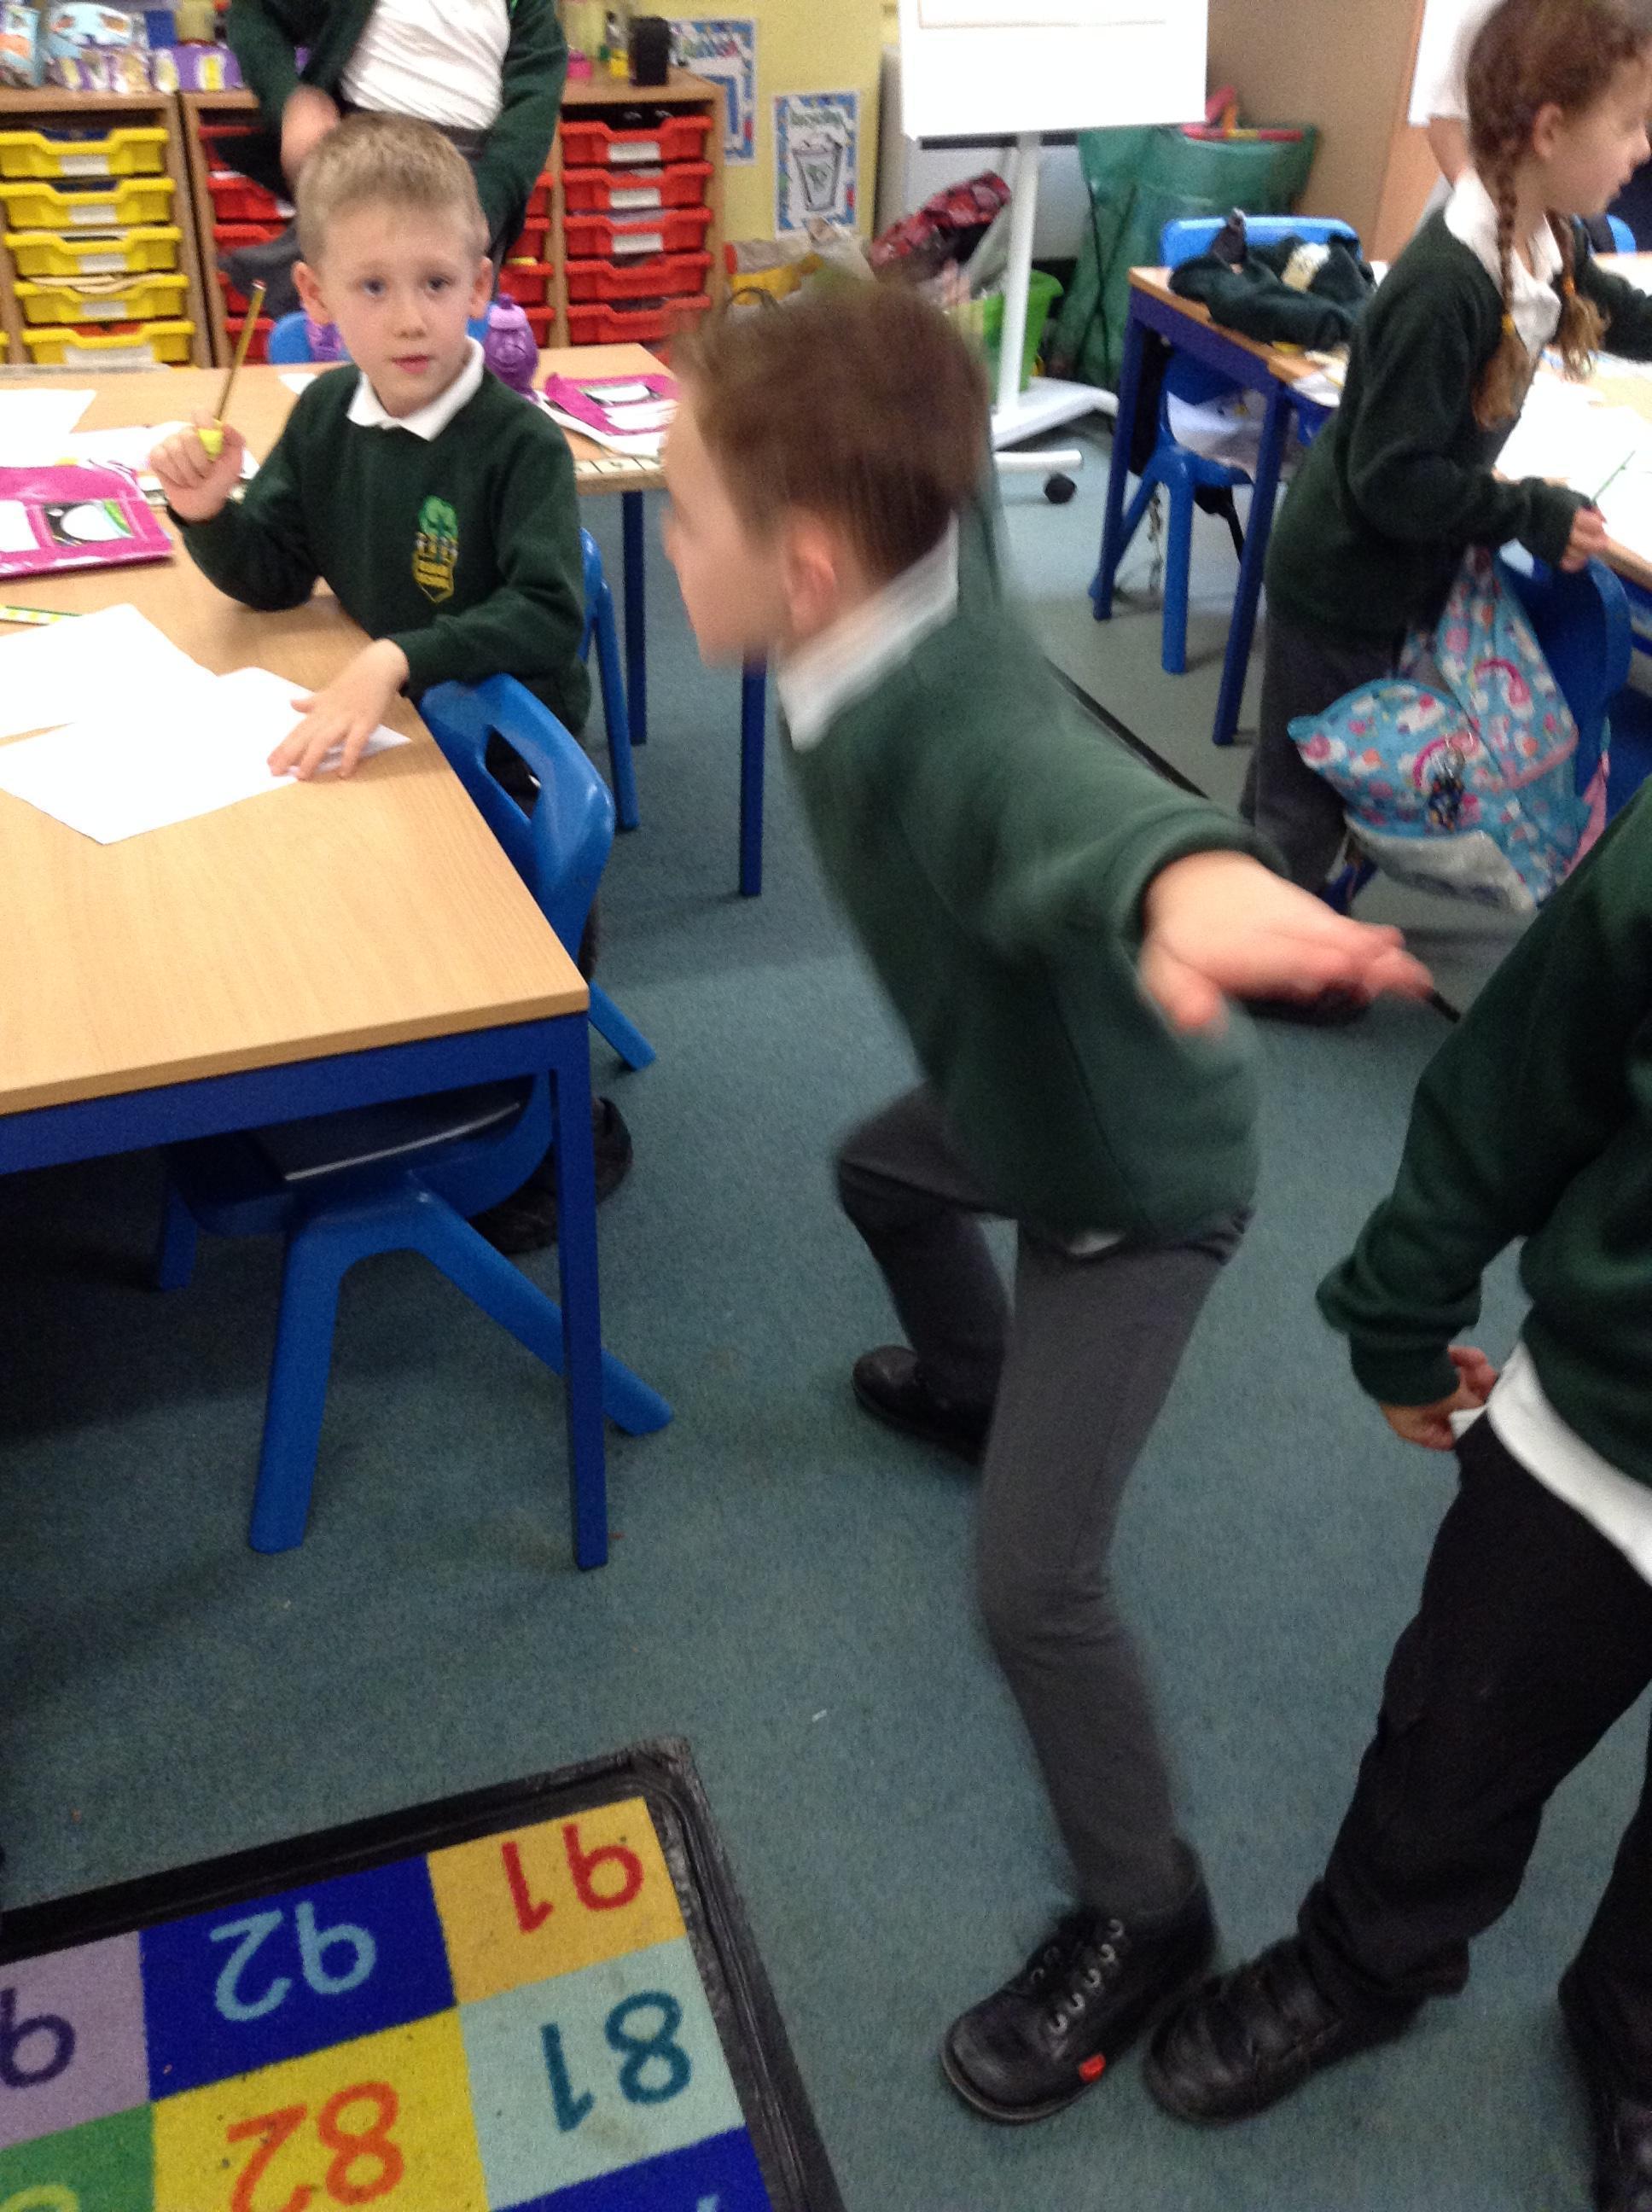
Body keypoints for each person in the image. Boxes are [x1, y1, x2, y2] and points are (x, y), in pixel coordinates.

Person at [660, 280, 1432, 2124]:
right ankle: (980, 1390)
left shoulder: (951, 723)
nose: (667, 535)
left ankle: (1144, 1904)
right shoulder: (921, 553)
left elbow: (1069, 799)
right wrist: (889, 314)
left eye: (681, 514)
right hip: (1011, 1089)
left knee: (1031, 1587)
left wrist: (1191, 881)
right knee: (878, 1170)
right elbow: (913, 408)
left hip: (1127, 1179)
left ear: (806, 567)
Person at [1143, 770, 1652, 2210]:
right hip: (1602, 1427)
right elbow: (1517, 1080)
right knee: (1460, 1729)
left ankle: (1635, 2030)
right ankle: (1368, 1958)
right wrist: (1402, 1309)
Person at [151, 114, 622, 1252]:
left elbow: (549, 610)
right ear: (318, 296)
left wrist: (400, 654)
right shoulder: (325, 414)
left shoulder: (517, 445)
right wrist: (208, 514)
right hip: (400, 739)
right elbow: (273, 570)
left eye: (436, 282)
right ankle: (393, 1062)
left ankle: (547, 1137)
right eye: (373, 286)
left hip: (504, 758)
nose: (409, 317)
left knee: (522, 957)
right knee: (340, 910)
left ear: (481, 285)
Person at [1245, 0, 1652, 925]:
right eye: (1630, 125)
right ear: (1550, 131)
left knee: (1320, 783)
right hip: (1339, 585)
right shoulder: (1444, 288)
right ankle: (1253, 953)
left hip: (1397, 574)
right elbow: (1390, 479)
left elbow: (1610, 309)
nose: (1642, 150)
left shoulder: (1545, 235)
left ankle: (1268, 906)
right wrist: (1529, 513)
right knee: (1299, 809)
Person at [221, 0, 567, 317]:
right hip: (359, 172)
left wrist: (484, 205)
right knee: (347, 326)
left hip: (469, 183)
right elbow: (254, 11)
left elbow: (534, 98)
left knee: (445, 333)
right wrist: (289, 102)